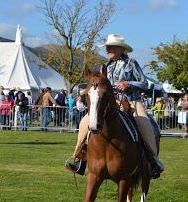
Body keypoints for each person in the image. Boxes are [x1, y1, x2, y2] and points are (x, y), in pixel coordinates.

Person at [66, 34, 164, 178]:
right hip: (111, 103)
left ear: (120, 49)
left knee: (144, 124)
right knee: (84, 122)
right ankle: (80, 160)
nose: (107, 49)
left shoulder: (131, 63)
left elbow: (144, 83)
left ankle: (154, 161)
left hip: (132, 101)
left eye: (110, 47)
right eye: (107, 47)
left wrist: (128, 83)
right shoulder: (105, 66)